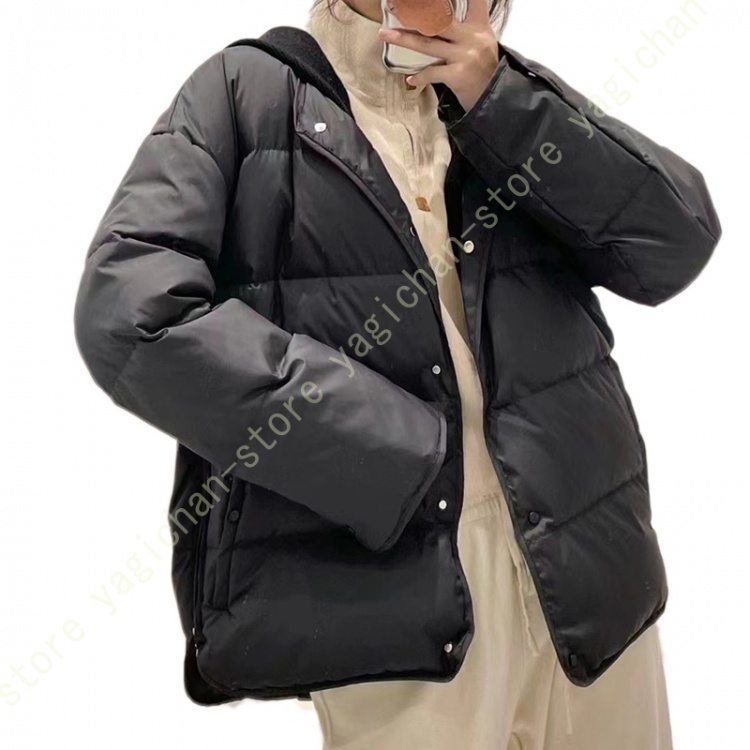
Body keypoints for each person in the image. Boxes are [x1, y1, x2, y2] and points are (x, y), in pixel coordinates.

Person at [73, 0, 721, 748]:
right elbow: (131, 312)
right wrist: (381, 447)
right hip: (399, 601)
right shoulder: (245, 92)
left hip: (589, 577)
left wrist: (505, 101)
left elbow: (675, 241)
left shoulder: (506, 101)